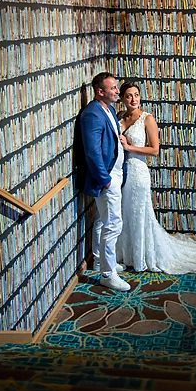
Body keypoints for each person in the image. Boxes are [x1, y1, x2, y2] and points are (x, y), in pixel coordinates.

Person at [116, 82, 196, 273]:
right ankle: (127, 255)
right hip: (120, 172)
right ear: (122, 99)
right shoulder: (120, 116)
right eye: (129, 96)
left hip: (137, 173)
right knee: (124, 213)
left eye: (137, 95)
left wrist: (129, 147)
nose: (133, 99)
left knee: (140, 214)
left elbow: (155, 150)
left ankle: (141, 258)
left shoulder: (147, 119)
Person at [75, 72, 131, 292]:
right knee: (113, 224)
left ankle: (100, 261)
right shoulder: (92, 114)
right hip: (106, 178)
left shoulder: (106, 110)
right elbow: (92, 151)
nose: (118, 91)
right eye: (113, 88)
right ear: (100, 91)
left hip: (114, 174)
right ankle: (107, 274)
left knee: (101, 220)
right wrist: (105, 180)